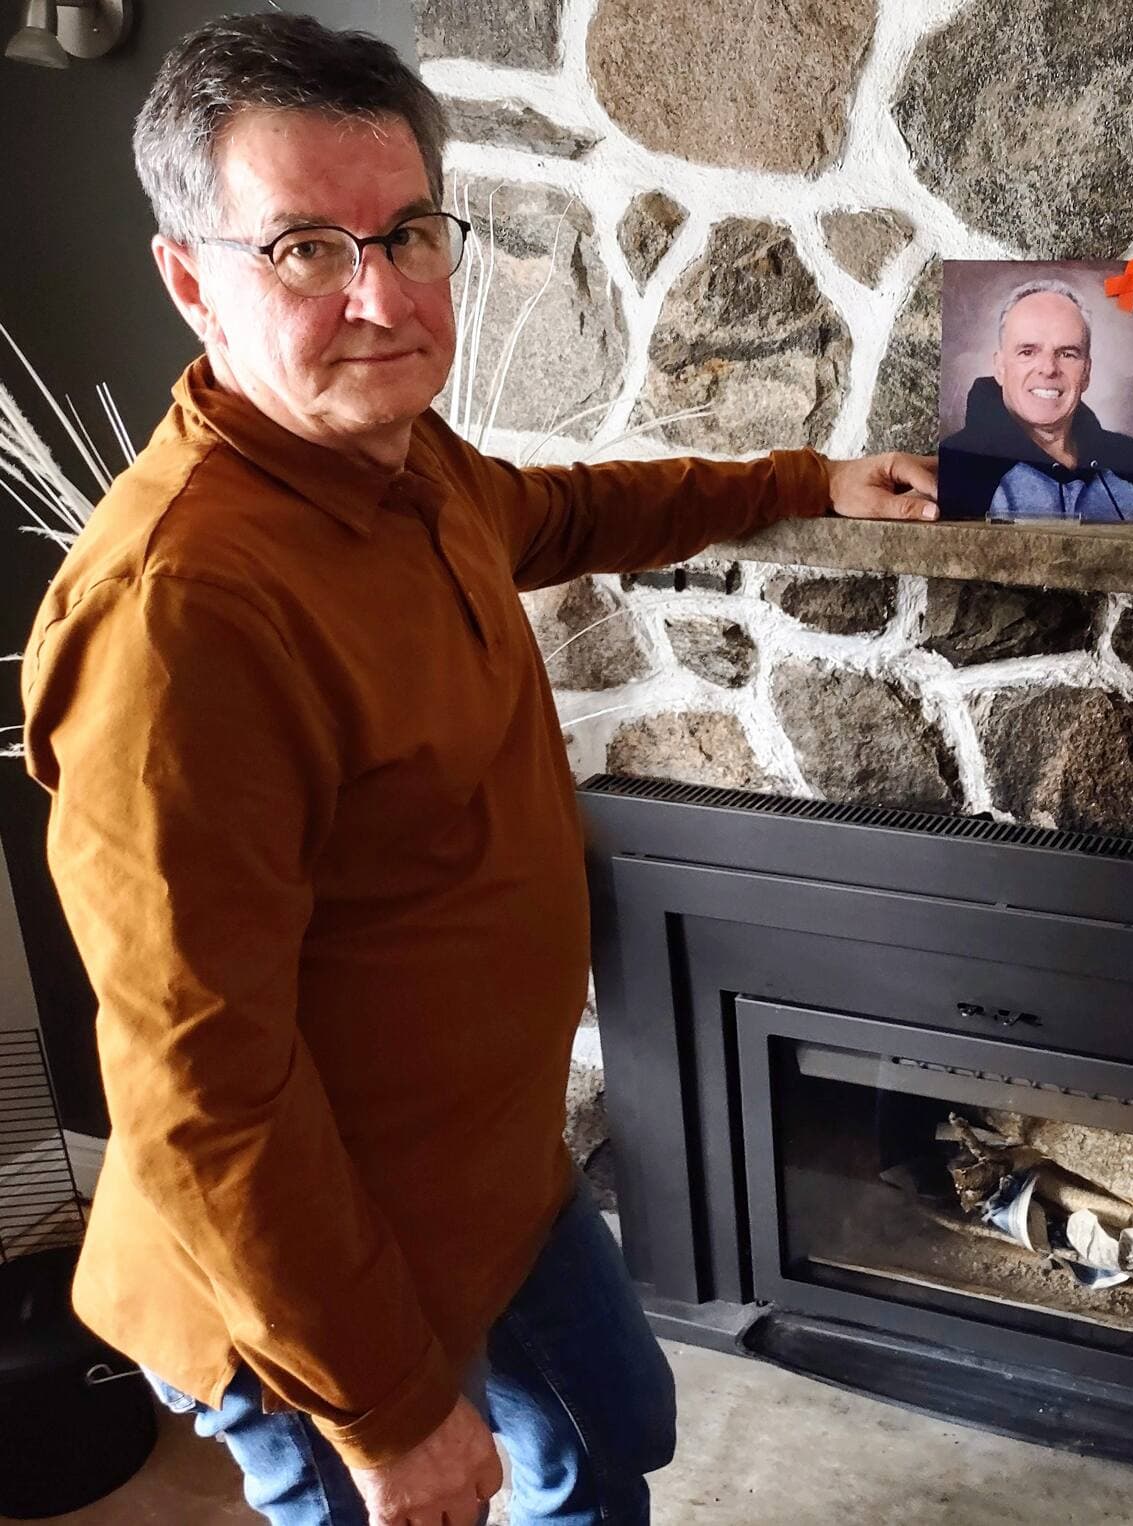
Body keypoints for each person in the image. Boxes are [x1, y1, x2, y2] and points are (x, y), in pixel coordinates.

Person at [19, 15, 936, 1526]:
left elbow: (554, 511)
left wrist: (802, 480)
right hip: (311, 1266)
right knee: (509, 1493)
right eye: (305, 248)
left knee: (612, 1431)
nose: (381, 296)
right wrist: (386, 1415)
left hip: (484, 1173)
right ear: (191, 276)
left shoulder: (399, 460)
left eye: (408, 233)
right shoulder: (179, 619)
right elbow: (203, 1091)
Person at [937, 280, 1133, 522]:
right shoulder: (957, 467)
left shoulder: (1128, 459)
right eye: (1028, 351)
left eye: (1067, 353)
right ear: (1000, 367)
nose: (1048, 369)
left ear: (1086, 372)